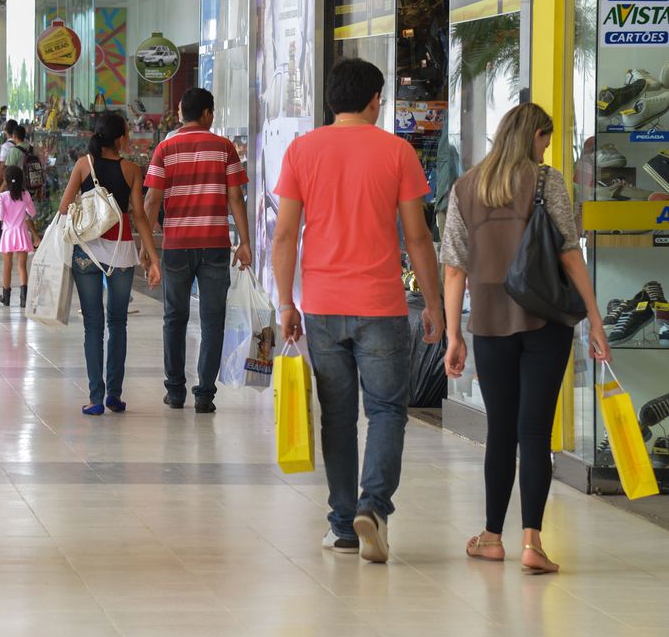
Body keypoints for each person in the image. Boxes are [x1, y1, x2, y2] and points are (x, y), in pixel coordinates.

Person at [271, 58, 443, 564]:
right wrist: (432, 303)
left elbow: (284, 235)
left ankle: (344, 525)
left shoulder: (302, 151)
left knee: (339, 418)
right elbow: (417, 237)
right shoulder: (397, 151)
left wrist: (286, 302)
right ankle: (374, 507)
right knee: (388, 410)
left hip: (322, 306)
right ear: (374, 100)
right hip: (383, 306)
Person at [441, 103, 611, 575]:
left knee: (501, 431)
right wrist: (594, 320)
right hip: (546, 320)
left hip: (490, 325)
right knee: (534, 432)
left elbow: (454, 267)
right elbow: (570, 255)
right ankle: (532, 542)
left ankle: (492, 537)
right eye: (545, 140)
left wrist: (454, 334)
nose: (546, 150)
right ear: (534, 135)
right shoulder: (546, 180)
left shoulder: (465, 187)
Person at [143, 87, 251, 415]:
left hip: (176, 246)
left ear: (180, 112)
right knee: (213, 320)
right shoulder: (224, 148)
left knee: (174, 318)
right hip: (215, 245)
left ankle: (175, 391)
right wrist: (244, 242)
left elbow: (151, 202)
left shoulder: (165, 149)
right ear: (207, 114)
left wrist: (147, 249)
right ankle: (205, 393)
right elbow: (235, 199)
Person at [56, 113, 162, 415]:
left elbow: (64, 207)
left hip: (87, 252)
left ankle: (96, 398)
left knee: (93, 325)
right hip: (122, 252)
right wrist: (153, 259)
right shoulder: (131, 169)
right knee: (118, 323)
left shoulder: (82, 165)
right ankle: (115, 393)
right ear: (120, 139)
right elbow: (139, 216)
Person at [0, 166, 37, 308]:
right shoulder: (26, 195)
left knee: (7, 266)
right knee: (22, 266)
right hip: (22, 233)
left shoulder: (2, 197)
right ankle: (24, 299)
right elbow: (32, 212)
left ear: (6, 180)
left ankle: (6, 297)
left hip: (8, 233)